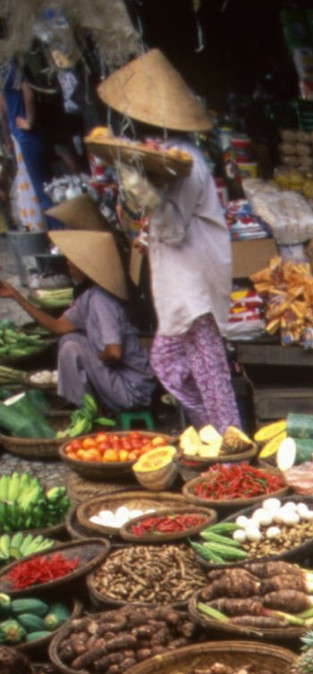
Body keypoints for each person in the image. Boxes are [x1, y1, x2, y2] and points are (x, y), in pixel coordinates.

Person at [95, 50, 240, 432]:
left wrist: (149, 199)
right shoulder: (162, 159)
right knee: (168, 364)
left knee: (211, 375)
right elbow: (164, 226)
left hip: (194, 284)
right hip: (179, 286)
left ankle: (230, 448)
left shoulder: (186, 163)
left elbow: (174, 229)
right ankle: (210, 432)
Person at [0, 227, 154, 412]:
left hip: (132, 389)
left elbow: (114, 352)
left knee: (72, 347)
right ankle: (82, 401)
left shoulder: (101, 300)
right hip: (118, 379)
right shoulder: (88, 297)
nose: (67, 264)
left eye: (71, 261)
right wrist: (16, 296)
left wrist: (94, 360)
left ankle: (82, 407)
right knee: (68, 339)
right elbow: (57, 327)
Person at [3, 62, 49, 229]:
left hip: (26, 135)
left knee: (42, 189)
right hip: (23, 134)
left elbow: (28, 93)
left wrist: (29, 120)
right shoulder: (11, 65)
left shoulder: (10, 66)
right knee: (41, 187)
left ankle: (55, 235)